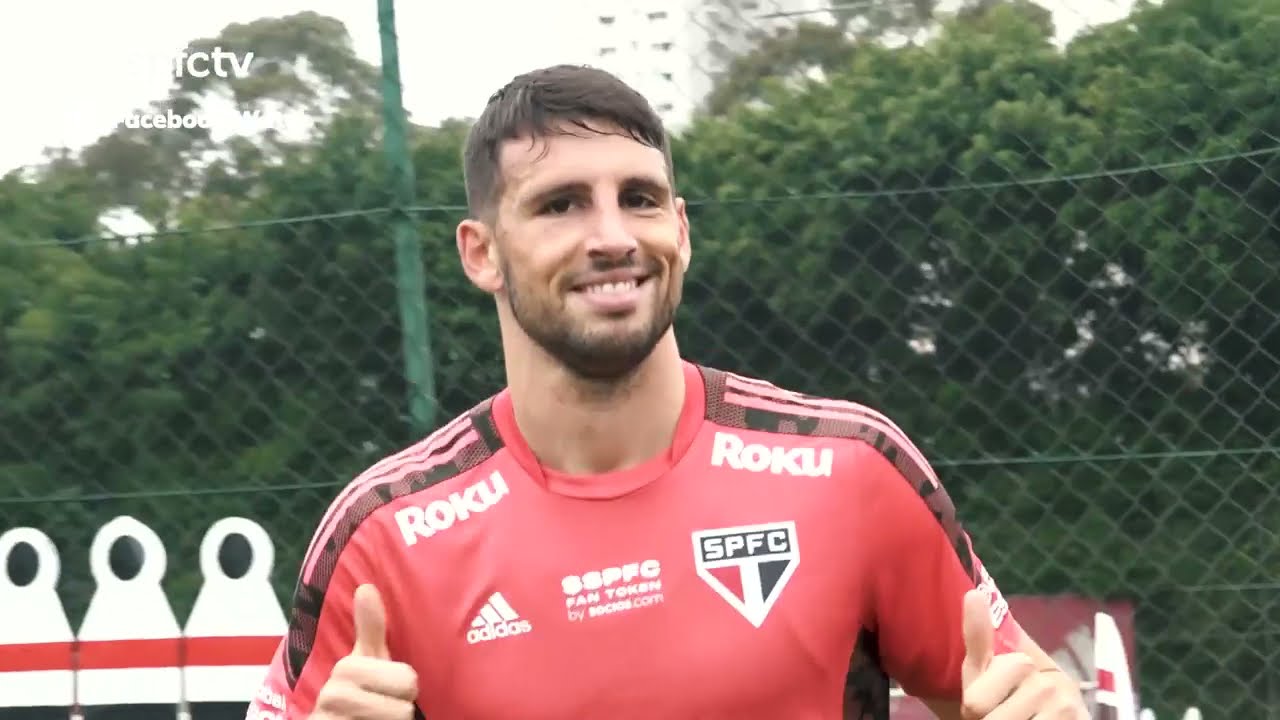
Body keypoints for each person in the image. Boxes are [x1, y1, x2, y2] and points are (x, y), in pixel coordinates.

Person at [245, 64, 1089, 720]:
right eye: (561, 205)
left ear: (680, 229)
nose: (612, 236)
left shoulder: (851, 471)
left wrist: (1055, 708)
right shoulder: (385, 538)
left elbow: (1014, 693)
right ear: (481, 252)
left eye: (639, 199)